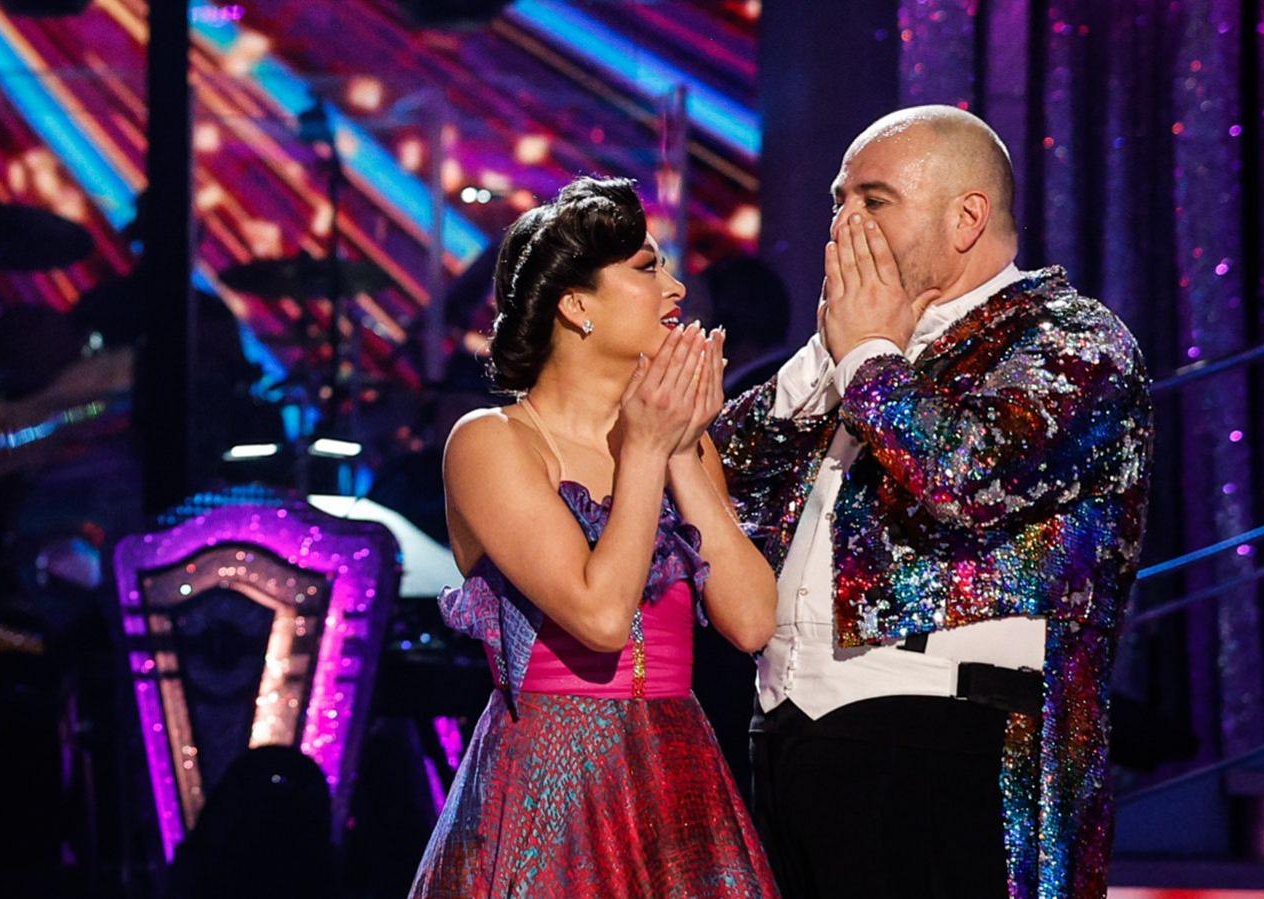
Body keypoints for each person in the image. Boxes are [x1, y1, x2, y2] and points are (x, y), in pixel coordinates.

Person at [713, 106, 1153, 898]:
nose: (844, 224)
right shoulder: (851, 345)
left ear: (967, 217)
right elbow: (724, 468)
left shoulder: (1073, 340)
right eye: (838, 201)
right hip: (788, 725)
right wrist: (831, 356)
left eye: (874, 200)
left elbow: (967, 478)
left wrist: (870, 359)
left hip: (947, 736)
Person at [410, 177, 779, 897]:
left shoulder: (676, 444)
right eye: (647, 268)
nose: (676, 288)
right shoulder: (492, 442)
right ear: (575, 305)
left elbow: (752, 619)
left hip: (677, 771)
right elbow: (602, 616)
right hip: (553, 784)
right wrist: (644, 449)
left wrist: (678, 449)